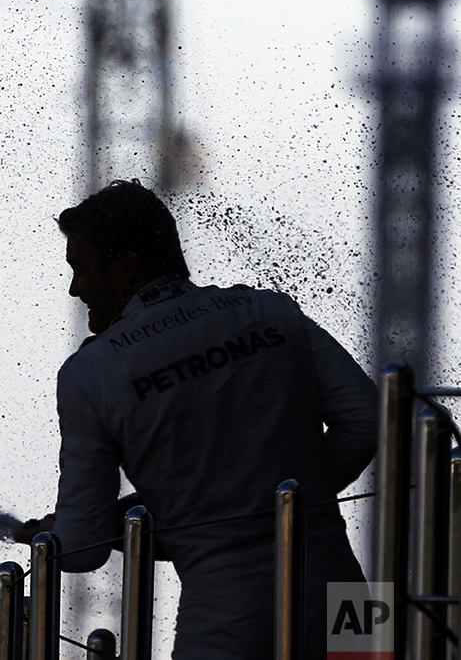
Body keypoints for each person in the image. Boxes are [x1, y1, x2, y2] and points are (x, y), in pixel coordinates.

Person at [39, 179, 377, 659]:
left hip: (226, 616)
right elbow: (367, 418)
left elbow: (82, 546)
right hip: (346, 592)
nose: (76, 289)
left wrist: (50, 536)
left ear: (125, 265)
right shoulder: (270, 310)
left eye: (81, 269)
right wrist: (297, 497)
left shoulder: (90, 373)